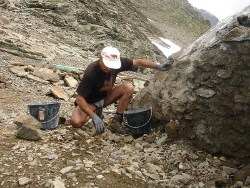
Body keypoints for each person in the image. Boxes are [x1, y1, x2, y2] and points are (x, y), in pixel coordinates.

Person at [70, 46, 173, 135]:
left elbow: (137, 62)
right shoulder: (91, 72)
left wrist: (158, 66)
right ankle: (95, 112)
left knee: (128, 87)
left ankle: (116, 121)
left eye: (111, 66)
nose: (109, 68)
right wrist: (93, 116)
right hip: (90, 102)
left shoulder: (117, 63)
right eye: (107, 65)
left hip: (105, 97)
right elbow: (79, 98)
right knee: (76, 122)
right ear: (101, 58)